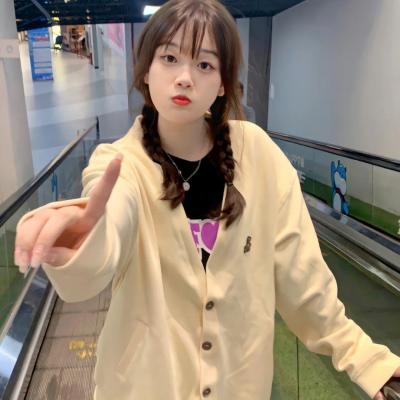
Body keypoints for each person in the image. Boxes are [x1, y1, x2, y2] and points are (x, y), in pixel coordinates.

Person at [14, 1, 400, 399]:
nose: (184, 78)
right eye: (169, 58)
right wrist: (85, 237)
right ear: (146, 70)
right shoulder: (120, 165)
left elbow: (304, 281)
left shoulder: (259, 157)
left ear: (221, 84)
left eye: (204, 64)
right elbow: (111, 226)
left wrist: (366, 360)